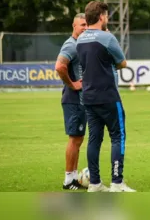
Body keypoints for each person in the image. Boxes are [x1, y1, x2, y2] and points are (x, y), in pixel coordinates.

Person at [76, 0, 135, 192]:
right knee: (118, 137)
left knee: (94, 139)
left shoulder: (81, 39)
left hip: (88, 97)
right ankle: (117, 183)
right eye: (106, 15)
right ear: (102, 16)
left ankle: (94, 183)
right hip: (108, 96)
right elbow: (122, 63)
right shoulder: (107, 38)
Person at [55, 13, 87, 190]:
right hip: (73, 99)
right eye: (81, 25)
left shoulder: (81, 45)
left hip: (81, 100)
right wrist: (72, 84)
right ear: (74, 27)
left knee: (78, 139)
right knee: (74, 139)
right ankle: (68, 180)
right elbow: (60, 66)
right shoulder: (71, 45)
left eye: (86, 25)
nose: (84, 28)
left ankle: (74, 177)